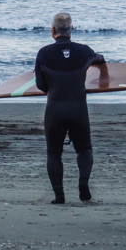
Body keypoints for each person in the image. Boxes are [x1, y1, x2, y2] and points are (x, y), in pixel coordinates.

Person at [34, 12, 105, 204]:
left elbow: (40, 85)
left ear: (53, 31)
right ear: (71, 30)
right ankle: (83, 182)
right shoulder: (84, 52)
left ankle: (59, 195)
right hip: (78, 109)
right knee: (84, 149)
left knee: (54, 153)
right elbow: (99, 58)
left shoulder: (44, 53)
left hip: (55, 109)